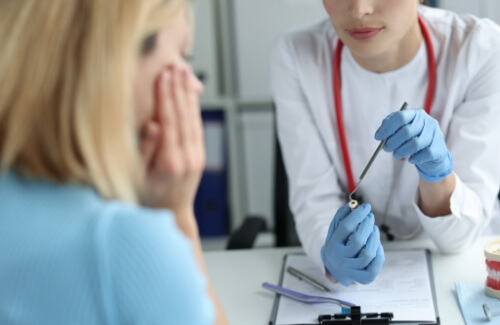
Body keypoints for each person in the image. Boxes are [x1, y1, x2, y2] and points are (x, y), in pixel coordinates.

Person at [0, 1, 227, 324]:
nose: (195, 85)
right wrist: (176, 215)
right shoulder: (123, 247)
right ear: (115, 64)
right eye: (181, 57)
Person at [270, 0, 500, 286]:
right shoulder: (295, 55)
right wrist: (331, 253)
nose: (358, 10)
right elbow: (314, 201)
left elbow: (461, 237)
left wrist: (438, 177)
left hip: (456, 268)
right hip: (354, 290)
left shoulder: (481, 49)